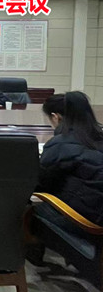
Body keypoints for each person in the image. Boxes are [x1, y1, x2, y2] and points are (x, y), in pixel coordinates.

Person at [37, 92, 103, 227]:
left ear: (55, 117)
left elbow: (41, 184)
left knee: (29, 209)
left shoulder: (60, 143)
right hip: (97, 214)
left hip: (85, 222)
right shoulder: (98, 137)